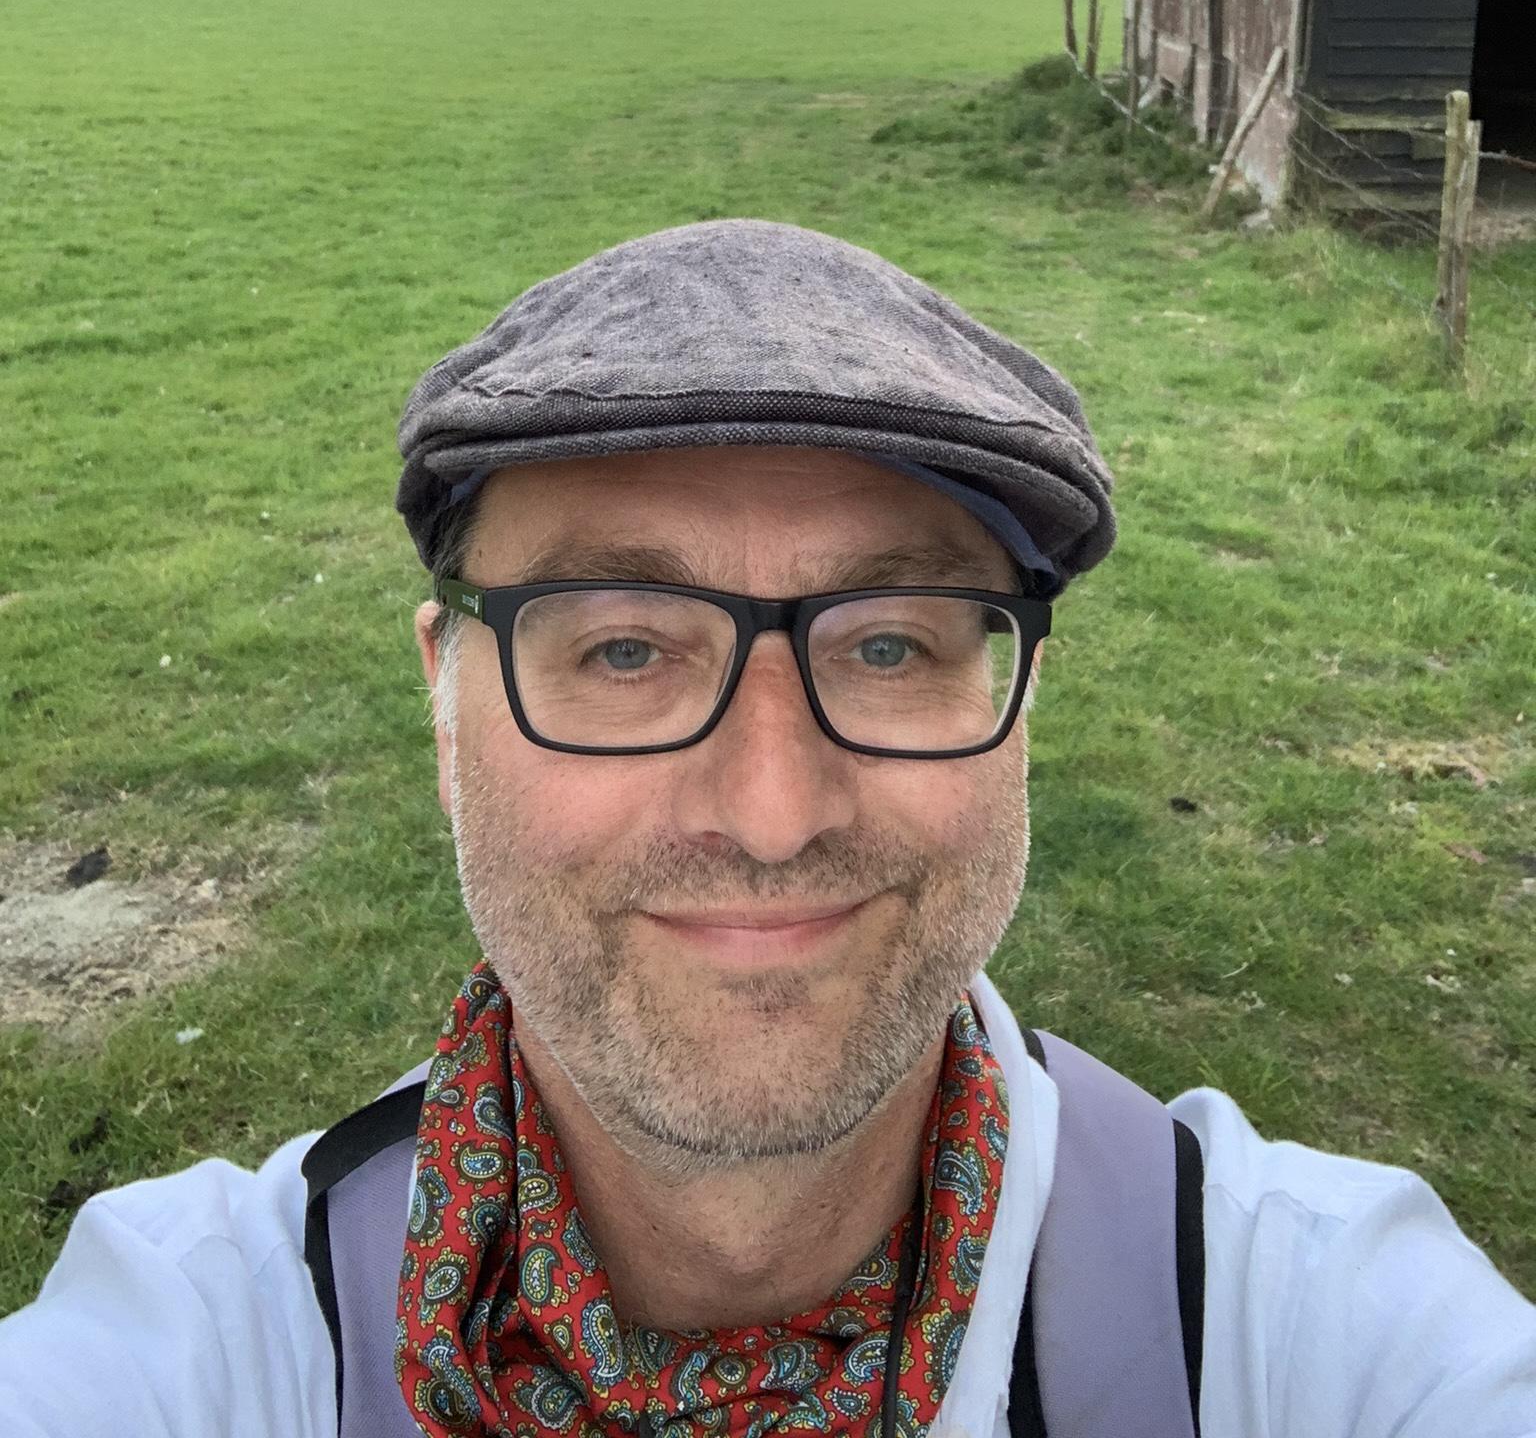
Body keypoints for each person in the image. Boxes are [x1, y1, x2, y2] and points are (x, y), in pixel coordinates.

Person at [1, 218, 1533, 1438]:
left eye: (890, 644)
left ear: (1019, 701)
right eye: (623, 648)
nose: (773, 812)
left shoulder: (1310, 1328)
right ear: (445, 702)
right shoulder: (202, 1344)